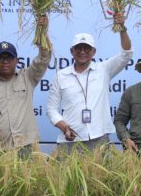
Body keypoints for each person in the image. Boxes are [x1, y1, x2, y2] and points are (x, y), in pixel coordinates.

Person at [47, 13, 132, 152]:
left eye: (87, 48)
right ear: (71, 51)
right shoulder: (60, 76)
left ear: (94, 52)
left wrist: (122, 28)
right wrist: (64, 127)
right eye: (78, 48)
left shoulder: (104, 69)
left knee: (100, 175)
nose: (82, 52)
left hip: (99, 139)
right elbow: (51, 109)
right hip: (70, 139)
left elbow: (126, 54)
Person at [0, 17, 51, 156]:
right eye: (1, 58)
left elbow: (44, 58)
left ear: (16, 60)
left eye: (9, 58)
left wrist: (43, 33)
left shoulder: (28, 77)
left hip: (26, 147)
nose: (5, 62)